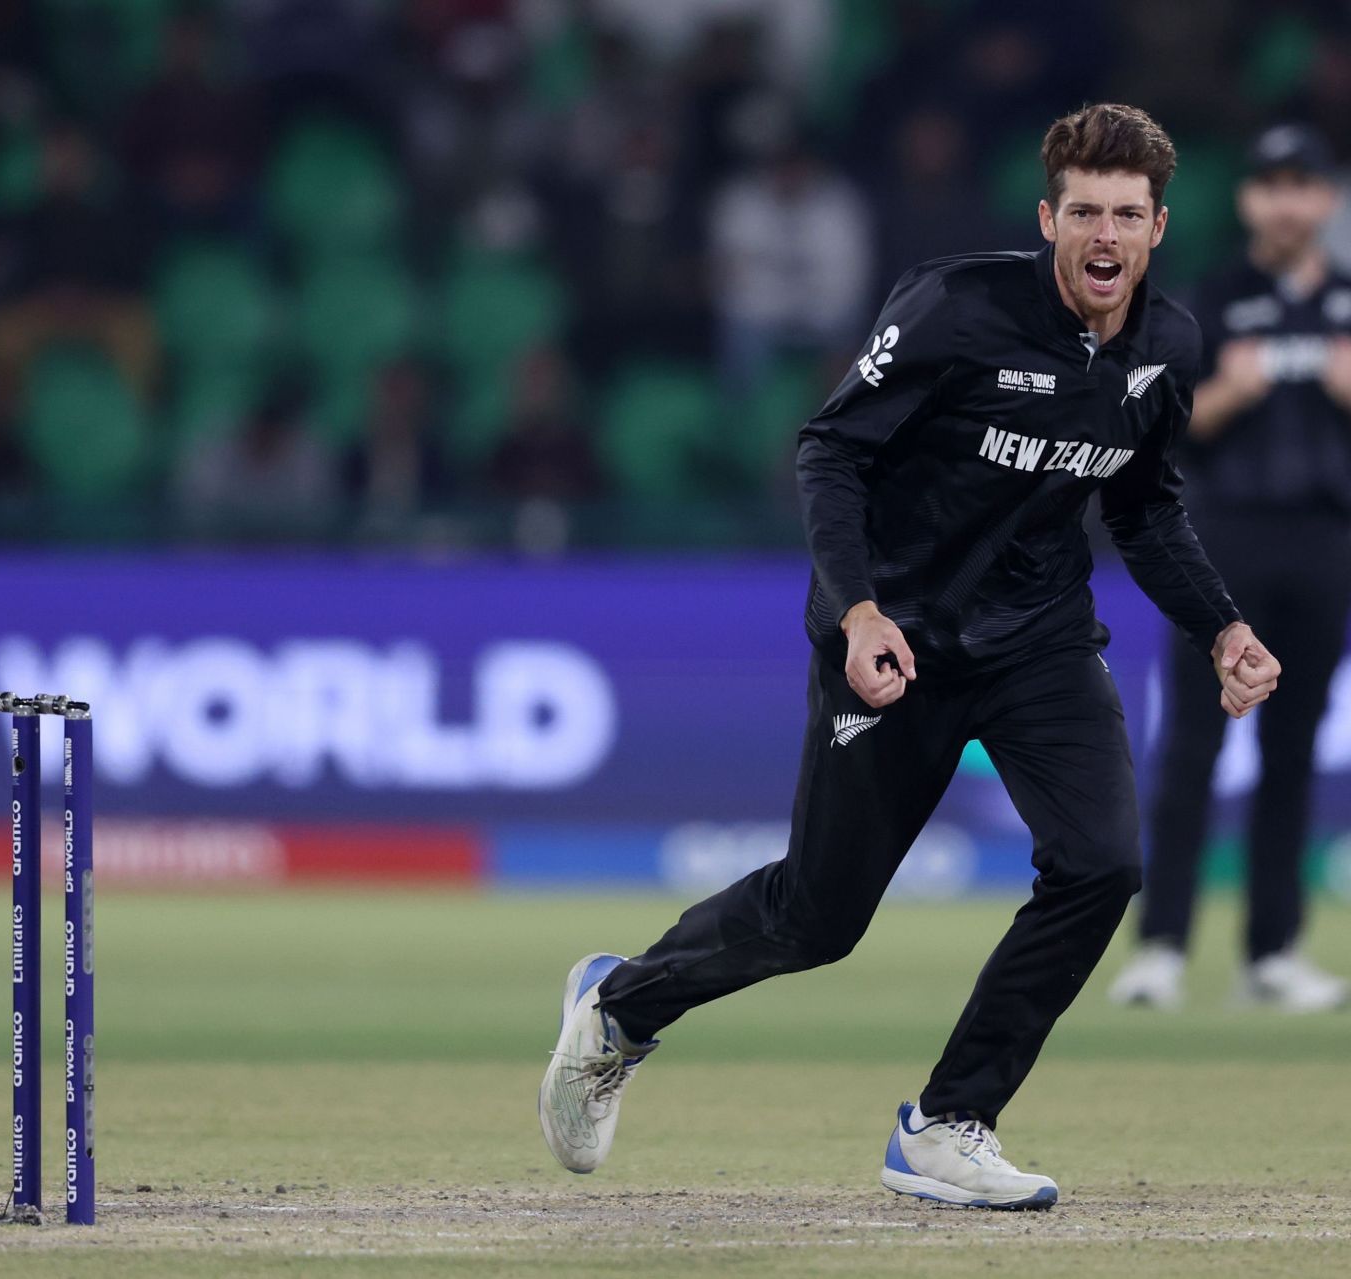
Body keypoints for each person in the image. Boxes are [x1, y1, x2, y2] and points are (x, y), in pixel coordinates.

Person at [538, 104, 1282, 1209]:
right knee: (815, 919)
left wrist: (1221, 622)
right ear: (1049, 216)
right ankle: (622, 1006)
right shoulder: (957, 305)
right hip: (899, 639)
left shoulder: (1166, 347)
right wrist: (860, 613)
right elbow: (831, 451)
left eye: (1128, 213)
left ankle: (948, 1123)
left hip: (1039, 641)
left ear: (1159, 226)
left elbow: (1143, 507)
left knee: (1102, 865)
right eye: (1084, 211)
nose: (1104, 235)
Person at [1106, 124, 1351, 1015]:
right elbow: (1162, 421)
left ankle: (1271, 953)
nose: (1285, 201)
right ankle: (1160, 949)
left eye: (1301, 184)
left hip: (1323, 541)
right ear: (1249, 202)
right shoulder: (1209, 300)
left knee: (1292, 751)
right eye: (1269, 184)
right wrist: (1232, 387)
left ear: (1326, 202)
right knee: (1193, 745)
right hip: (1222, 541)